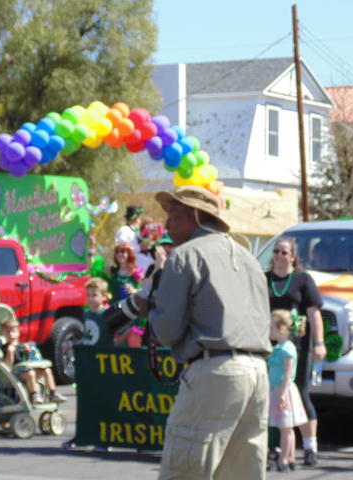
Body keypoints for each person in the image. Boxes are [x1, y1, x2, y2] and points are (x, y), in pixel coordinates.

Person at [139, 185, 272, 479]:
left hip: (216, 370)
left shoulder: (185, 255)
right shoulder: (248, 258)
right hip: (258, 372)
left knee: (185, 469)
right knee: (242, 471)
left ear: (197, 216)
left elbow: (168, 331)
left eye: (174, 214)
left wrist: (149, 308)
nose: (167, 223)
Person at [266, 236, 326, 467]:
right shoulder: (265, 279)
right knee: (272, 393)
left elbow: (314, 313)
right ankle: (278, 446)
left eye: (284, 252)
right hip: (270, 347)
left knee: (299, 392)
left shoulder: (302, 279)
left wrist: (319, 342)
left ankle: (310, 447)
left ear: (293, 256)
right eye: (276, 252)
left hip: (295, 347)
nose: (280, 256)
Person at [268, 310, 308, 471]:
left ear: (282, 328)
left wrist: (282, 394)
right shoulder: (279, 347)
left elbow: (288, 373)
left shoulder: (287, 349)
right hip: (277, 389)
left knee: (286, 428)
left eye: (271, 327)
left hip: (283, 390)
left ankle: (284, 459)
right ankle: (289, 457)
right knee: (285, 427)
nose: (269, 330)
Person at [0, 317, 66, 403]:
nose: (11, 335)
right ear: (2, 334)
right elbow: (8, 366)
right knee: (31, 373)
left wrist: (28, 352)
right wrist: (10, 353)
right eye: (8, 332)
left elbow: (27, 361)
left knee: (46, 370)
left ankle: (52, 393)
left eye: (14, 332)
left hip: (26, 369)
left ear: (18, 333)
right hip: (15, 373)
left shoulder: (21, 346)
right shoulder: (6, 348)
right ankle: (34, 395)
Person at [82, 278, 112, 346]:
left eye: (94, 295)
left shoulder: (108, 314)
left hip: (103, 353)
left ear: (104, 296)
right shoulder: (84, 315)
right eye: (88, 295)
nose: (90, 298)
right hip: (87, 353)